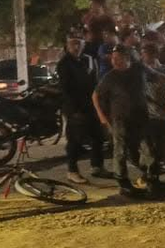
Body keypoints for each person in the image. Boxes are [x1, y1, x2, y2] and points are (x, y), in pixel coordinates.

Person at [92, 45, 148, 198]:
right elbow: (95, 96)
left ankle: (148, 176)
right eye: (113, 59)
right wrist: (102, 117)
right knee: (120, 151)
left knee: (144, 149)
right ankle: (123, 182)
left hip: (140, 117)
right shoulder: (110, 77)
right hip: (120, 119)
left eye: (118, 58)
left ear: (127, 58)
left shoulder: (138, 70)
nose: (114, 61)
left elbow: (154, 77)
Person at [55, 37, 108, 184]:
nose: (76, 47)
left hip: (90, 105)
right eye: (73, 44)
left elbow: (94, 81)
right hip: (76, 108)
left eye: (79, 43)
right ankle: (72, 171)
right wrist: (74, 109)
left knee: (98, 136)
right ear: (67, 46)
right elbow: (66, 89)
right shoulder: (65, 64)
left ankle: (97, 166)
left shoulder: (86, 60)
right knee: (75, 140)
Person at [139, 42, 165, 187]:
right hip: (146, 116)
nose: (146, 56)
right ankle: (146, 176)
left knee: (161, 149)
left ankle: (154, 177)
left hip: (163, 115)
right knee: (148, 149)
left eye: (148, 53)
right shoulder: (139, 71)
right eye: (144, 53)